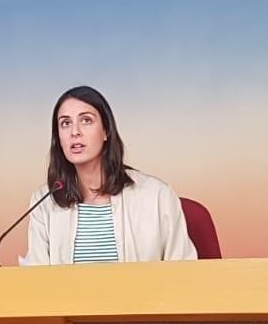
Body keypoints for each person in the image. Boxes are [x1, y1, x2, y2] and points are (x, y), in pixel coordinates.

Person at [18, 85, 197, 265]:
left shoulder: (157, 196)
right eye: (65, 123)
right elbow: (36, 281)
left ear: (106, 131)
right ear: (58, 137)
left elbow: (184, 273)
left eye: (86, 120)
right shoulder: (44, 202)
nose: (74, 132)